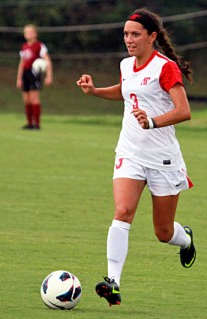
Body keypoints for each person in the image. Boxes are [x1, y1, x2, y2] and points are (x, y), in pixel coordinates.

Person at [76, 8, 196, 306]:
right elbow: (125, 90)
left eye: (135, 34)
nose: (129, 40)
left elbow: (184, 111)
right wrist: (94, 92)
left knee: (163, 232)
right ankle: (113, 282)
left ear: (152, 36)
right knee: (123, 212)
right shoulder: (126, 65)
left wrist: (152, 121)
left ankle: (186, 239)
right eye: (126, 34)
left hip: (163, 159)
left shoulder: (165, 68)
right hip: (129, 152)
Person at [16, 24, 53, 130]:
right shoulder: (24, 47)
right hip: (25, 74)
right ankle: (29, 123)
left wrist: (49, 76)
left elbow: (47, 61)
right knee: (27, 100)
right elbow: (22, 63)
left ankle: (37, 124)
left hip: (34, 74)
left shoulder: (39, 46)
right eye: (26, 32)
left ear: (35, 33)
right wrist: (18, 78)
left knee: (34, 99)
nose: (28, 34)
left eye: (30, 32)